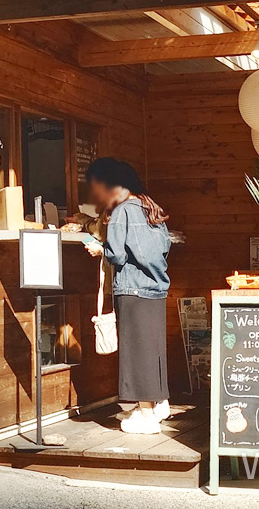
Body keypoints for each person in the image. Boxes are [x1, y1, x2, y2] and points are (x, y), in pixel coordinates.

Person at [76, 158, 171, 434]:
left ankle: (145, 414)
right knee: (153, 349)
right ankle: (158, 403)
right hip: (156, 288)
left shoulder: (122, 212)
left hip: (131, 288)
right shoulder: (150, 206)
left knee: (137, 351)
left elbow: (117, 254)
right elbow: (164, 246)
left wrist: (98, 249)